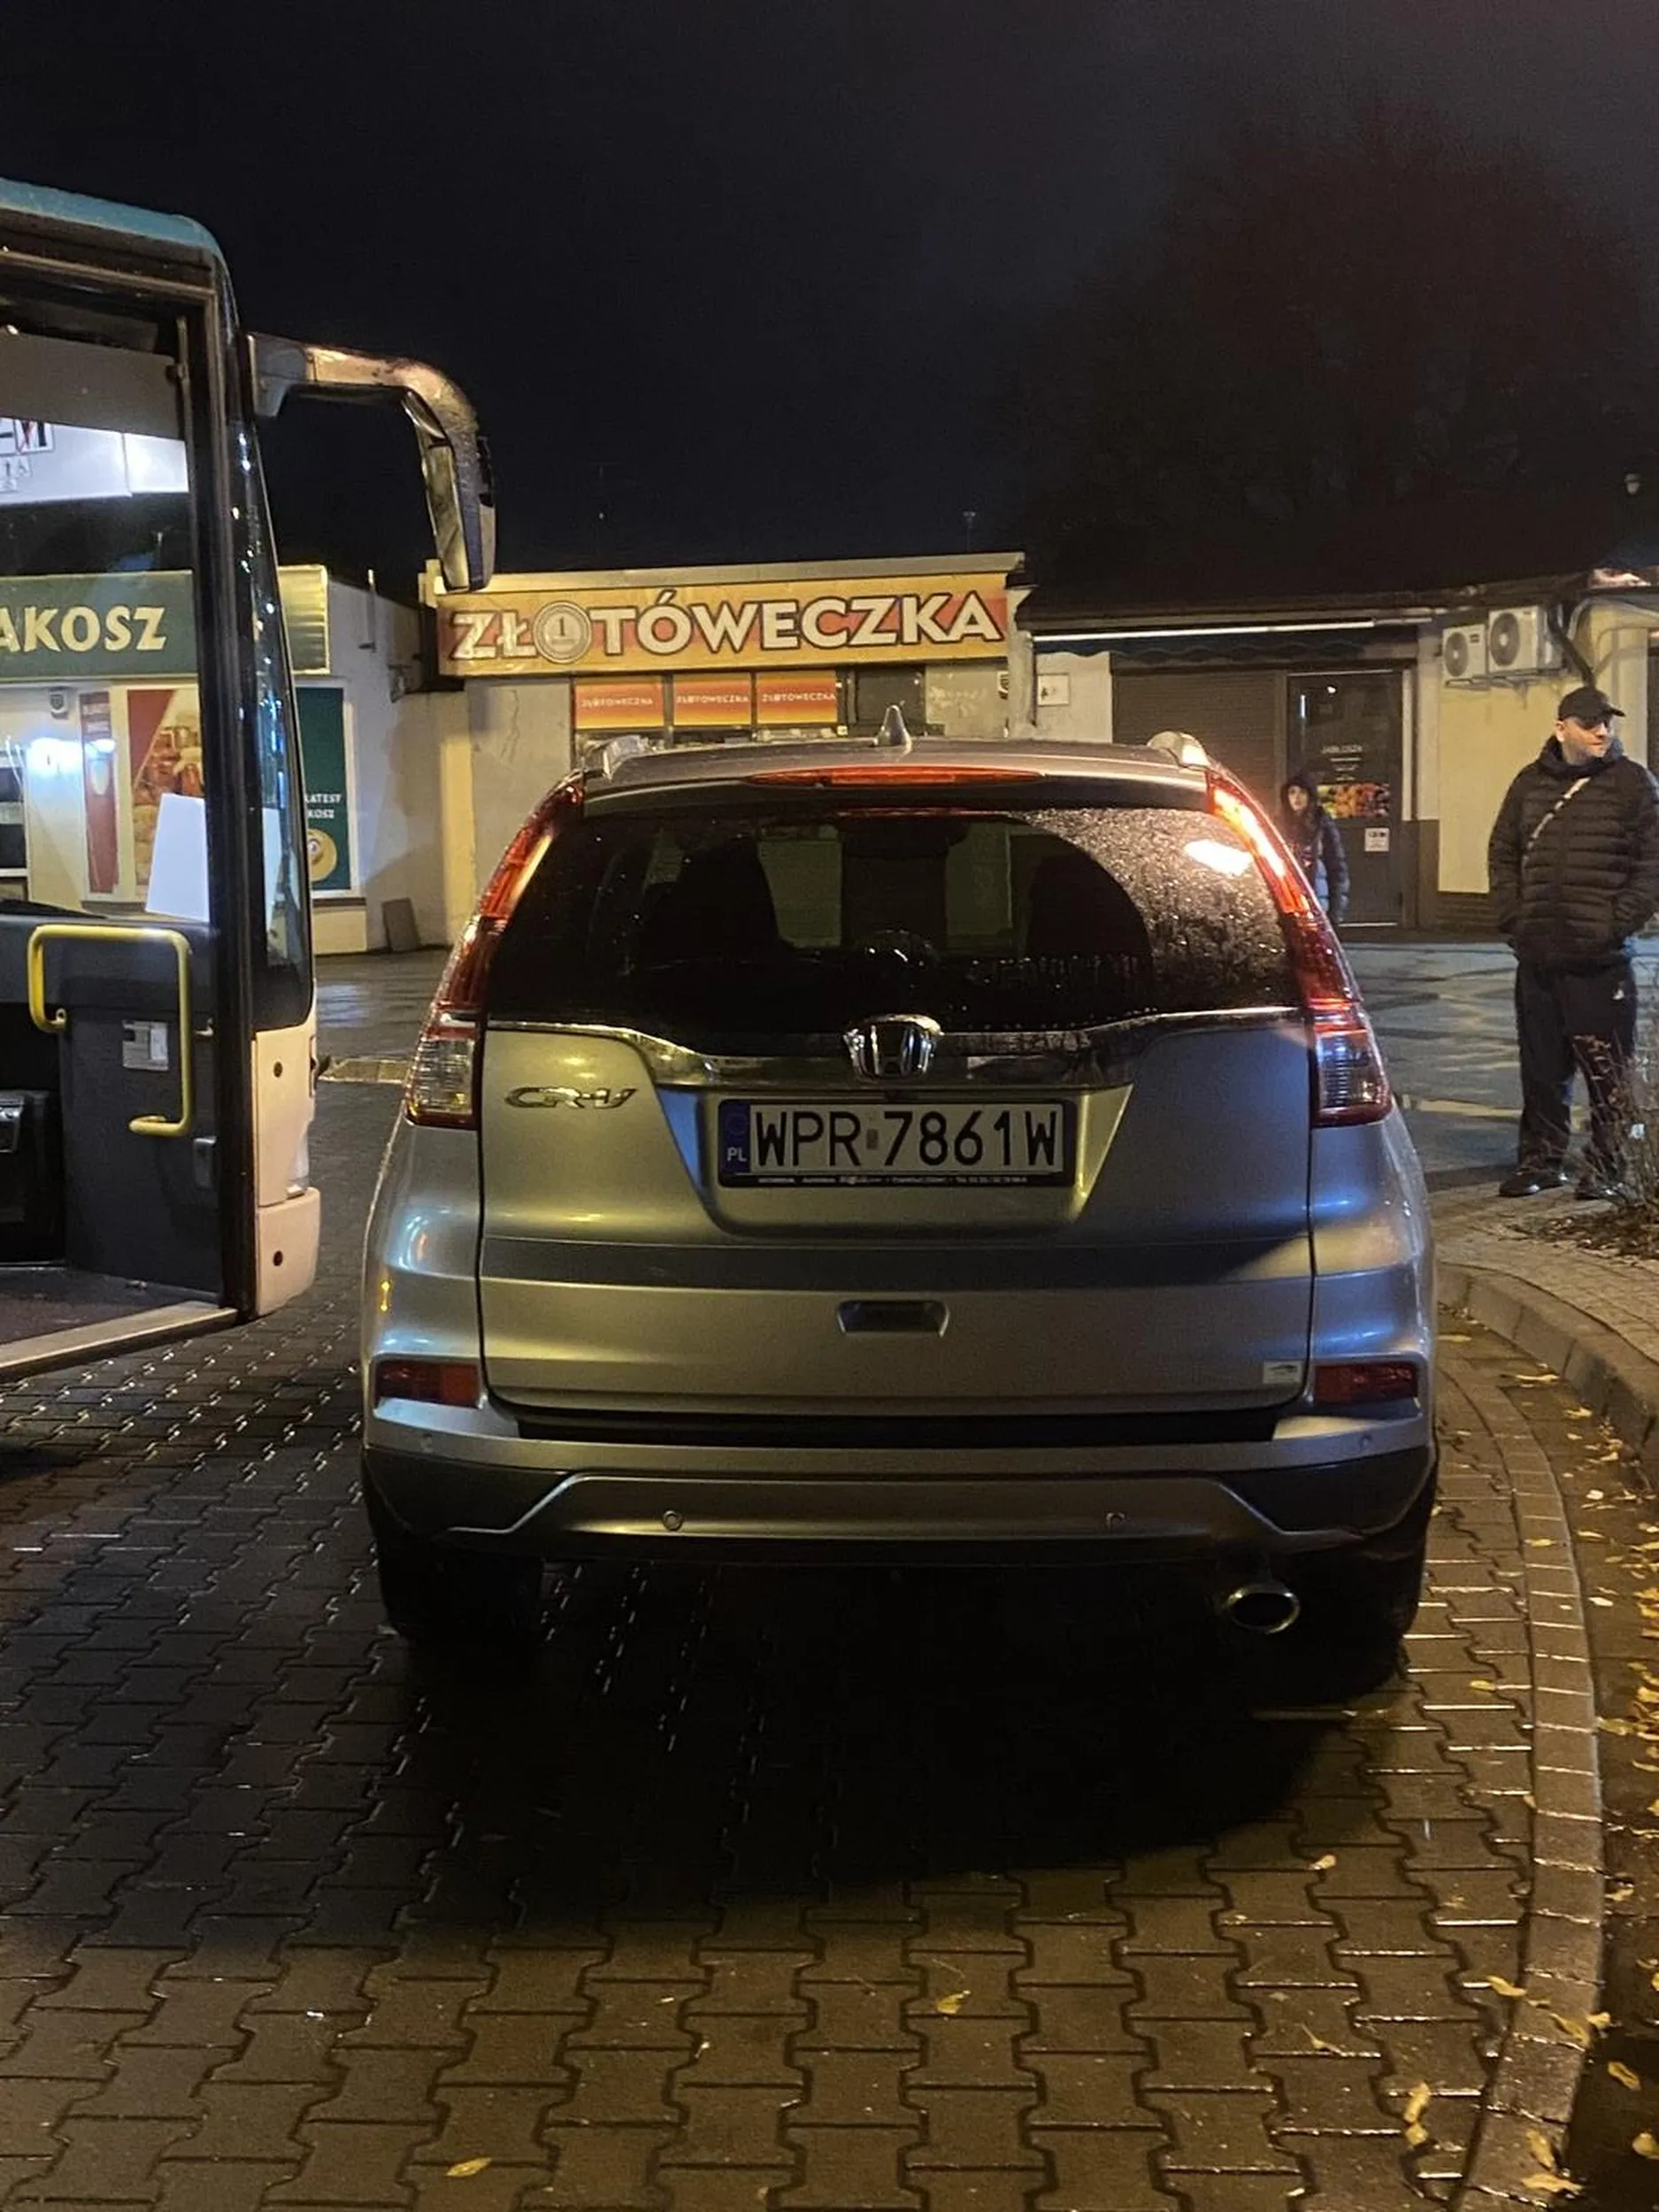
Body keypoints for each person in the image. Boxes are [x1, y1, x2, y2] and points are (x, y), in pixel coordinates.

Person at [1486, 682, 1659, 1200]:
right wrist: (1515, 920)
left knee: (1607, 1073)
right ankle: (1542, 1161)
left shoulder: (1634, 785)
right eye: (1589, 723)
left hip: (1600, 961)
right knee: (1541, 1068)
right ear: (1562, 729)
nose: (1602, 730)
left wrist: (1614, 924)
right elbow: (1503, 851)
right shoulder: (1528, 783)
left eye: (1607, 720)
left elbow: (1652, 865)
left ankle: (1607, 1167)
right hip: (1538, 955)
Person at [1279, 770, 1349, 923]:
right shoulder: (1279, 825)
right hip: (1289, 899)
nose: (1297, 798)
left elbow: (1337, 867)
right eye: (1292, 792)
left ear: (1310, 796)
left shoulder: (1323, 823)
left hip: (1317, 898)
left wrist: (1336, 912)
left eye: (1302, 793)